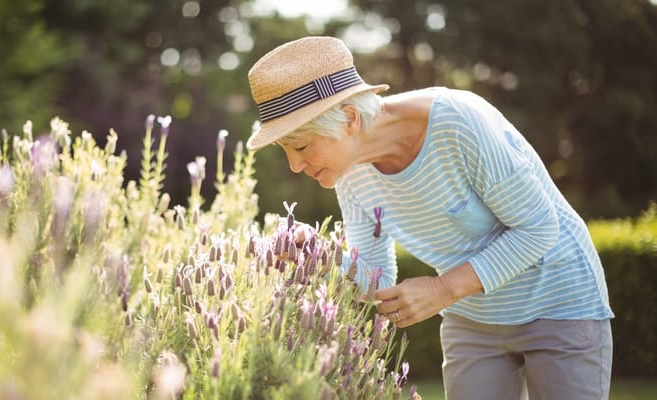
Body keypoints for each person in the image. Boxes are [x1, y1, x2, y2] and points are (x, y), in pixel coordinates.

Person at [244, 36, 614, 399]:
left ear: (350, 119)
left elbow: (538, 227)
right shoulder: (351, 174)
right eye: (286, 150)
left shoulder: (458, 123)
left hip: (559, 303)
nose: (294, 165)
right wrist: (318, 256)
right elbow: (375, 279)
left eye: (302, 146)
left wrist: (442, 290)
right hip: (473, 321)